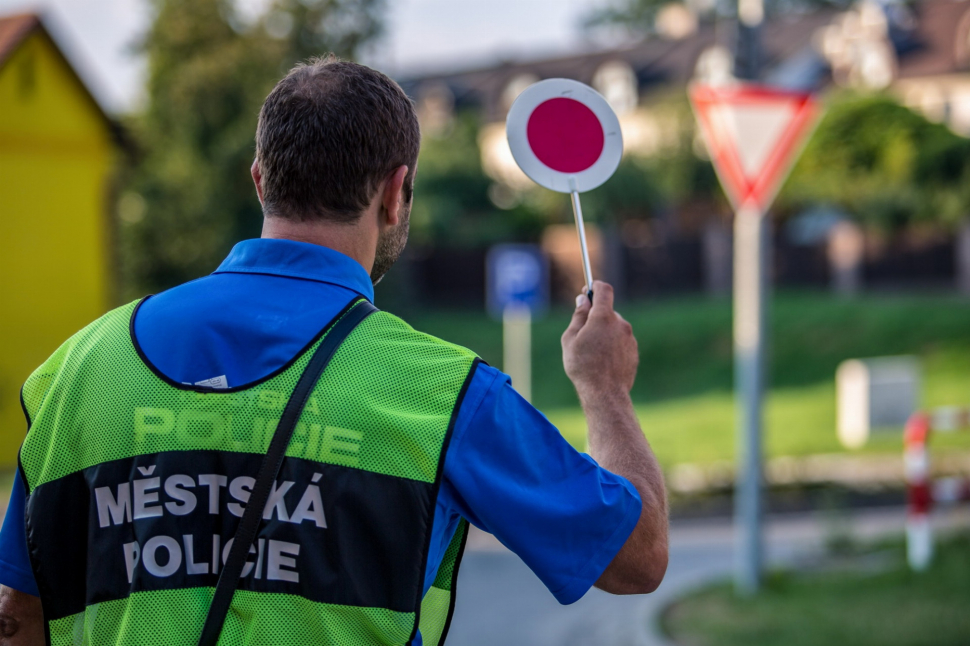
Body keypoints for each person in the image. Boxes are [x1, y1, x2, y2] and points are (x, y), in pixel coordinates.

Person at [0, 57, 667, 646]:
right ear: (396, 193)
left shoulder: (78, 369)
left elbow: (19, 613)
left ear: (260, 180)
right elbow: (637, 558)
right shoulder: (443, 394)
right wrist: (603, 387)